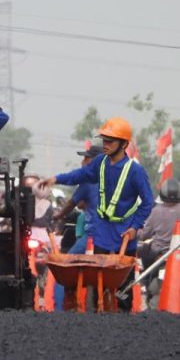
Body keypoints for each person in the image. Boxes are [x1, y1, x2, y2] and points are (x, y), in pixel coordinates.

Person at [34, 118, 154, 300]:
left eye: (110, 141)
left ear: (124, 144)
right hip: (103, 228)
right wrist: (56, 179)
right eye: (104, 140)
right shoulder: (100, 163)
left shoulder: (135, 171)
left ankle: (124, 310)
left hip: (126, 230)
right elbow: (80, 174)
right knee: (99, 277)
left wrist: (135, 227)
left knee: (124, 282)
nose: (105, 145)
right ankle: (98, 309)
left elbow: (147, 202)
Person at [137, 178, 180, 307]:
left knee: (143, 250)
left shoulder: (155, 211)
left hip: (157, 254)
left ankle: (146, 281)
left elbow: (144, 235)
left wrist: (135, 232)